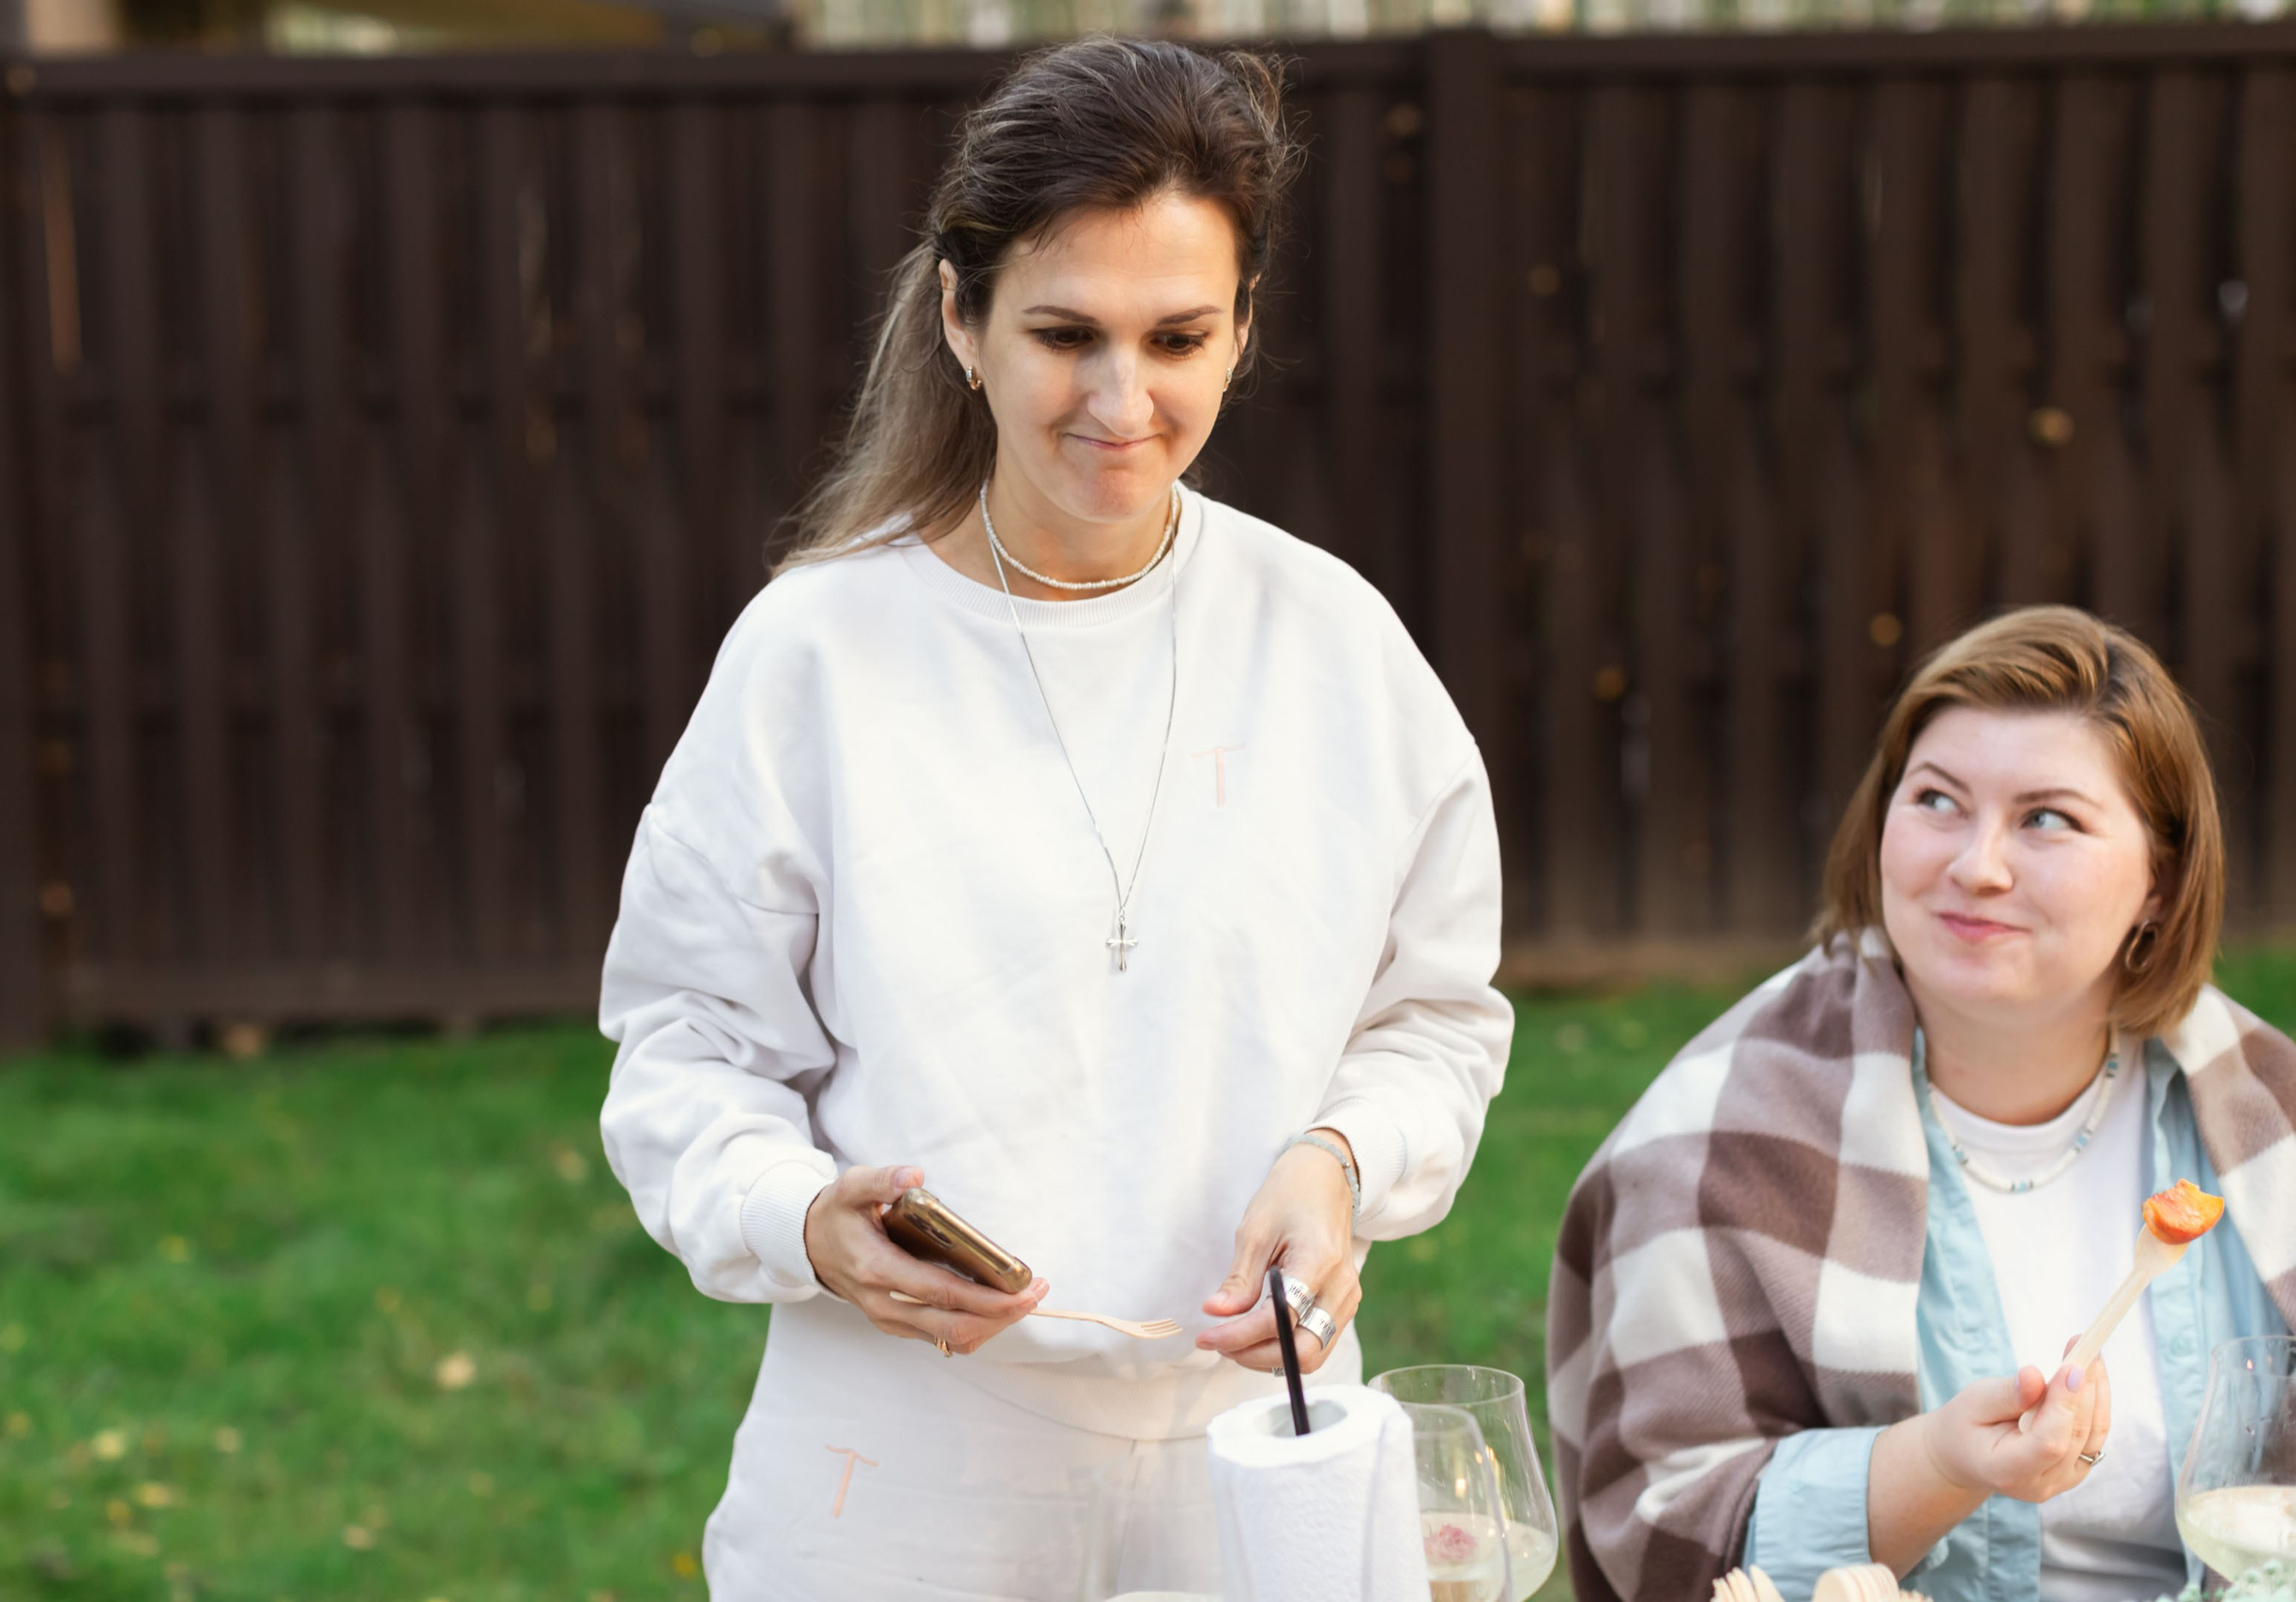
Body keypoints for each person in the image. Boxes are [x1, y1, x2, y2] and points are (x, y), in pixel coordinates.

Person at [597, 38, 1513, 1600]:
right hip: (900, 1476)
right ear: (961, 321)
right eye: (1064, 333)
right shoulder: (816, 657)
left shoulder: (1335, 643)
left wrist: (1344, 1156)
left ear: (1242, 331)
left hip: (1265, 1463)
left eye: (1178, 337)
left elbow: (1435, 1019)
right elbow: (686, 1056)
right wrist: (807, 1218)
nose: (1121, 398)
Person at [1548, 605, 2296, 1602]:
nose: (1974, 867)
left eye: (2046, 818)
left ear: (2158, 882)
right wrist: (1938, 1465)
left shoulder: (2265, 1114)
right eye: (1938, 800)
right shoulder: (1716, 1134)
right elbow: (1666, 1534)